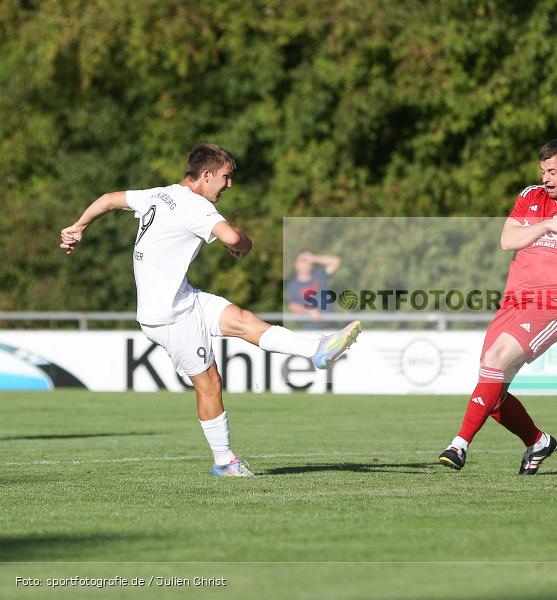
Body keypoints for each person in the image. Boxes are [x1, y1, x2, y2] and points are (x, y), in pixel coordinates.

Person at [59, 144, 361, 478]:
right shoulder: (195, 207)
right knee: (210, 383)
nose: (228, 185)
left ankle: (317, 350)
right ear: (206, 175)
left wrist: (79, 226)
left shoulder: (161, 194)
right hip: (169, 316)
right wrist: (244, 245)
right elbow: (233, 237)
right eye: (226, 177)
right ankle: (224, 462)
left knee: (245, 321)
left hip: (184, 298)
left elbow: (108, 199)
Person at [438, 138, 557, 474]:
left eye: (553, 172)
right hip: (513, 301)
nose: (546, 178)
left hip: (550, 304)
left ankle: (459, 445)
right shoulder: (530, 196)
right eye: (543, 171)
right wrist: (546, 224)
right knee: (493, 392)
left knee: (495, 363)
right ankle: (539, 441)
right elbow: (506, 240)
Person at [286, 251, 342, 322]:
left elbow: (336, 261)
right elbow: (292, 306)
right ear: (296, 264)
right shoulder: (292, 286)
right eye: (303, 261)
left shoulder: (320, 275)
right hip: (313, 328)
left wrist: (314, 258)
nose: (307, 264)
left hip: (332, 323)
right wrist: (309, 310)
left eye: (309, 261)